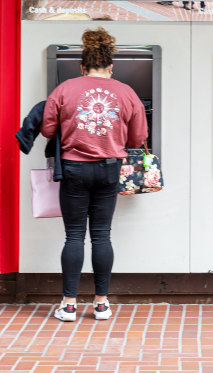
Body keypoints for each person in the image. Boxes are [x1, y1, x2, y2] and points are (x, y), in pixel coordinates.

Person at [41, 27, 148, 322]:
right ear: (110, 67)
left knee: (74, 235)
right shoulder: (126, 92)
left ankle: (69, 304)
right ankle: (101, 303)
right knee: (102, 235)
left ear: (82, 65)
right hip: (109, 169)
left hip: (73, 168)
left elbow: (48, 129)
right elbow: (138, 139)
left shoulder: (64, 89)